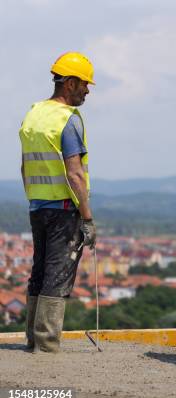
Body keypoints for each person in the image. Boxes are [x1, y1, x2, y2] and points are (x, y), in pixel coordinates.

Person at [19, 52, 97, 353]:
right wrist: (87, 218)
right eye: (84, 85)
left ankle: (32, 340)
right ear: (70, 83)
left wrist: (34, 198)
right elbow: (75, 173)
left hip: (37, 205)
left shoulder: (34, 114)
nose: (87, 90)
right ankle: (47, 344)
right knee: (57, 274)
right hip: (64, 209)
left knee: (39, 272)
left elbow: (25, 166)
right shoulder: (68, 120)